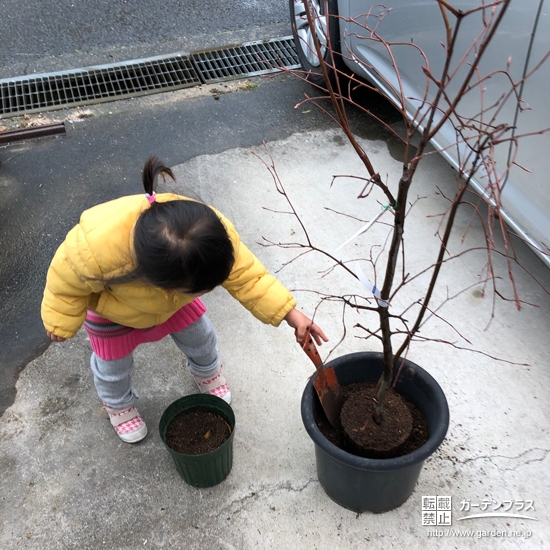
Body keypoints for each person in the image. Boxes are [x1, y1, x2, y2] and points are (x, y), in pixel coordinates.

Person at [41, 156, 327, 443]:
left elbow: (249, 276)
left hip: (174, 306)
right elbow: (63, 282)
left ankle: (207, 371)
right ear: (162, 282)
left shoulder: (211, 234)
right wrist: (59, 320)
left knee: (202, 337)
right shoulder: (94, 249)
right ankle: (118, 405)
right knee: (112, 367)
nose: (210, 291)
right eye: (201, 290)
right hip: (114, 311)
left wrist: (291, 314)